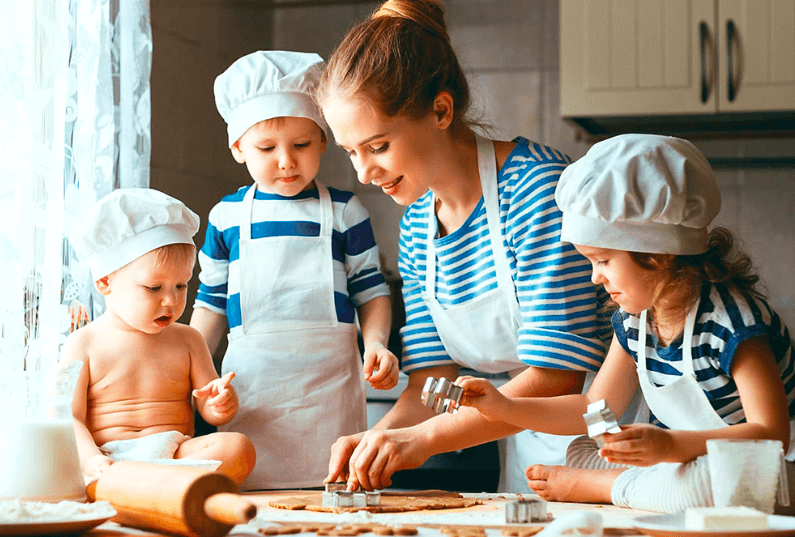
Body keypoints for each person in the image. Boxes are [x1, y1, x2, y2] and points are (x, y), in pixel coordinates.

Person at [316, 0, 620, 493]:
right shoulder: (416, 225)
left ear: (440, 109)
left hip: (614, 444)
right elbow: (430, 382)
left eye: (378, 147)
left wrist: (421, 441)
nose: (363, 174)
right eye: (351, 152)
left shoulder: (538, 191)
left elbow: (555, 376)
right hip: (527, 452)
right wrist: (374, 440)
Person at [455, 133, 795, 513]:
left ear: (658, 253)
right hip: (686, 464)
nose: (594, 278)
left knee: (709, 482)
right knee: (583, 448)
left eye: (602, 260)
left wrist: (671, 446)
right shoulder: (636, 322)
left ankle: (604, 486)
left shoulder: (732, 322)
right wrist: (502, 406)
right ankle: (624, 481)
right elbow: (593, 408)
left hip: (772, 473)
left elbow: (771, 436)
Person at [189, 50, 399, 490]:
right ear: (238, 148)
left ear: (323, 141)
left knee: (333, 498)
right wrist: (192, 374)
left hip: (329, 394)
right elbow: (210, 305)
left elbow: (371, 291)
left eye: (302, 145)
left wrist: (376, 343)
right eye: (267, 148)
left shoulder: (346, 210)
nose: (286, 160)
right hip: (252, 394)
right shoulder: (226, 217)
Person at [63, 188, 256, 486]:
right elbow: (70, 418)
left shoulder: (189, 340)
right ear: (104, 281)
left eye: (181, 286)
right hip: (109, 457)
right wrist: (92, 460)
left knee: (237, 448)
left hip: (175, 454)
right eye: (154, 288)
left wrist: (219, 403)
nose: (171, 301)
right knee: (73, 460)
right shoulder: (84, 343)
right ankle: (157, 488)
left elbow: (206, 406)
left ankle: (146, 488)